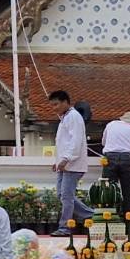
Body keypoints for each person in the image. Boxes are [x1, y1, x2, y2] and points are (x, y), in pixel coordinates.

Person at [49, 90, 93, 235]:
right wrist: (59, 161)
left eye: (56, 104)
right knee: (62, 195)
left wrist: (66, 158)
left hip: (72, 164)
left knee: (66, 196)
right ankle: (90, 214)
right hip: (65, 163)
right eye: (52, 105)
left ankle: (65, 227)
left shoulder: (73, 117)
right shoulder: (65, 118)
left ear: (65, 102)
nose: (54, 108)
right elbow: (64, 142)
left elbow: (76, 141)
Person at [100, 111, 130, 221]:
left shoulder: (111, 124)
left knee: (108, 190)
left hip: (109, 157)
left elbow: (104, 142)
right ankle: (128, 220)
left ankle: (108, 218)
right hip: (128, 158)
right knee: (128, 191)